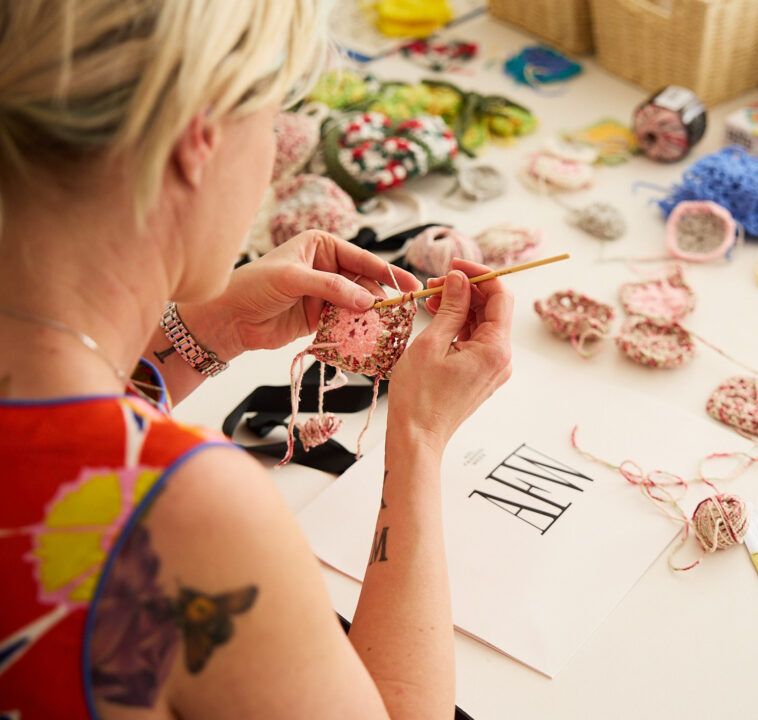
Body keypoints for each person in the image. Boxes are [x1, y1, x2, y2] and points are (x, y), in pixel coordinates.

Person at [0, 2, 513, 718]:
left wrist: (209, 332)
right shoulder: (183, 516)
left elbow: (55, 441)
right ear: (198, 139)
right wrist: (420, 438)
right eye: (272, 123)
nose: (273, 155)